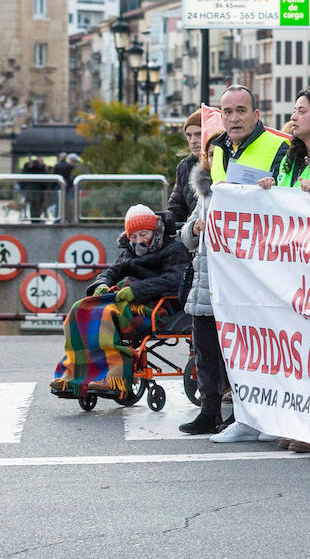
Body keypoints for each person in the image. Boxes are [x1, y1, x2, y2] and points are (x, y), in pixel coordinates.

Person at [50, 205, 188, 397]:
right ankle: (75, 376)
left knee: (105, 315)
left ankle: (113, 376)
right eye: (133, 237)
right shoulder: (127, 253)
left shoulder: (174, 249)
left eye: (143, 234)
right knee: (79, 309)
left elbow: (175, 279)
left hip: (155, 307)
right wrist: (101, 284)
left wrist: (136, 290)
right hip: (126, 301)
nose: (138, 241)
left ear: (155, 231)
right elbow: (111, 272)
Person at [177, 138, 227, 435]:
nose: (209, 157)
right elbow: (186, 233)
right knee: (204, 352)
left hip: (229, 286)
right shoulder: (206, 194)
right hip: (204, 281)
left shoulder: (238, 192)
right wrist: (192, 229)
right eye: (207, 154)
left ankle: (234, 410)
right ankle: (209, 410)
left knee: (230, 353)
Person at [208, 85, 288, 183]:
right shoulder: (218, 149)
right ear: (222, 118)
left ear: (256, 116)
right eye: (228, 112)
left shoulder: (279, 147)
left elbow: (285, 192)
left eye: (241, 111)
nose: (234, 119)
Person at [168, 111, 204, 225]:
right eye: (189, 135)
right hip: (195, 235)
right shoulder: (184, 166)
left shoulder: (225, 161)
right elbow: (177, 207)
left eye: (199, 134)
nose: (193, 141)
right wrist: (161, 222)